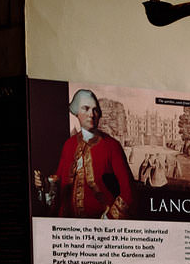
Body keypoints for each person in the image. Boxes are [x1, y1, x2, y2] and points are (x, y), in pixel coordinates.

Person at [54, 89, 135, 219]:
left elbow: (129, 191)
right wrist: (46, 186)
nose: (91, 114)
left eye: (95, 109)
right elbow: (59, 185)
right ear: (76, 112)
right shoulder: (68, 145)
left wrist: (108, 219)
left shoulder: (112, 145)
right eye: (85, 108)